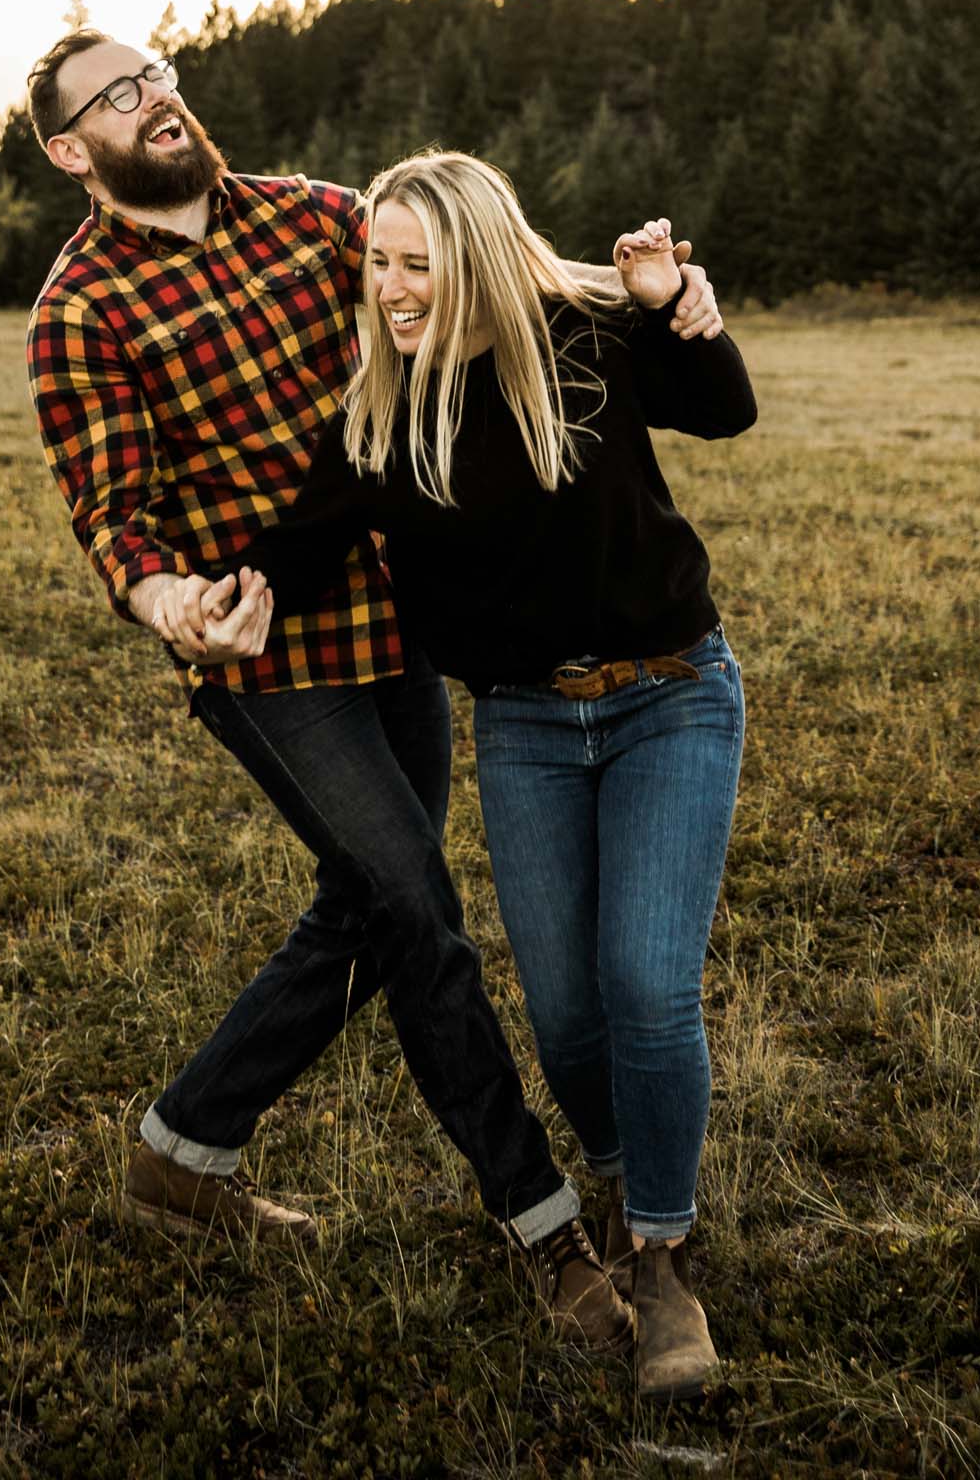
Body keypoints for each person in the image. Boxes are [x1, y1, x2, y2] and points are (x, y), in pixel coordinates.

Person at [24, 31, 721, 1353]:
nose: (153, 97)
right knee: (418, 912)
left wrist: (658, 300)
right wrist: (168, 599)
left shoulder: (317, 218)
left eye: (155, 70)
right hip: (271, 660)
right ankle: (544, 1224)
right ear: (72, 151)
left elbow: (484, 269)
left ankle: (187, 1142)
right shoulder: (82, 310)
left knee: (371, 904)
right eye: (114, 96)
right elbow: (112, 511)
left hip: (400, 630)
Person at [206, 149, 756, 1402]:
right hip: (522, 723)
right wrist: (214, 595)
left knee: (646, 984)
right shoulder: (384, 413)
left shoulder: (585, 335)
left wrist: (675, 303)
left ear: (478, 256)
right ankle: (621, 1179)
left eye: (419, 264)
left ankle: (664, 1257)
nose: (393, 290)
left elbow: (722, 408)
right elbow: (296, 542)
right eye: (379, 264)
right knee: (564, 1010)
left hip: (669, 690)